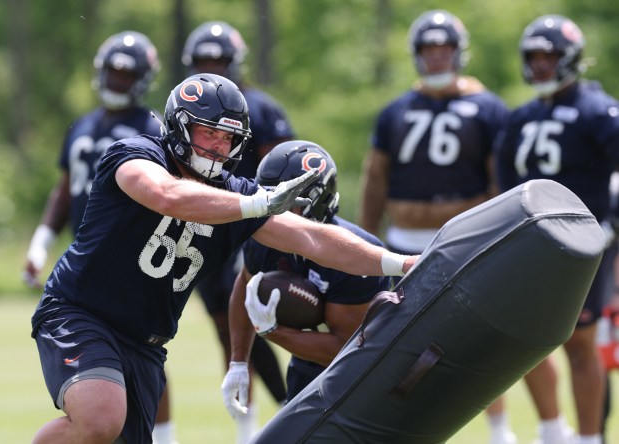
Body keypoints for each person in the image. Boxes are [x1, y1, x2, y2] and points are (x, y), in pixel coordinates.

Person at [30, 73, 417, 444]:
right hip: (81, 313)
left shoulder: (237, 195)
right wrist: (256, 204)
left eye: (228, 137)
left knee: (109, 434)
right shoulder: (136, 155)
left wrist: (399, 263)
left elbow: (313, 238)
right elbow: (168, 196)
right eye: (208, 132)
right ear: (180, 127)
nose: (218, 146)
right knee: (100, 420)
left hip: (145, 341)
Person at [357, 10, 513, 444]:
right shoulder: (395, 112)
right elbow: (375, 179)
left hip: (466, 240)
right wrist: (364, 239)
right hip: (403, 241)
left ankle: (500, 430)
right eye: (430, 50)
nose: (438, 58)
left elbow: (499, 182)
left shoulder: (487, 108)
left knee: (479, 336)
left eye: (445, 50)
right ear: (416, 56)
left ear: (459, 53)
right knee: (395, 338)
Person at [22, 31, 179, 444]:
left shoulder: (152, 128)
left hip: (132, 262)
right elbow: (63, 190)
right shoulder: (85, 125)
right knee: (95, 390)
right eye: (112, 71)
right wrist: (40, 241)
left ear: (143, 78)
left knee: (144, 353)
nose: (118, 79)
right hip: (85, 265)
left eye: (127, 74)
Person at [495, 14, 619, 444]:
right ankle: (551, 431)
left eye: (549, 57)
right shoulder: (520, 117)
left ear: (569, 59)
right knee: (524, 341)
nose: (541, 65)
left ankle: (588, 439)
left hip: (583, 246)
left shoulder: (597, 110)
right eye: (534, 57)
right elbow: (503, 187)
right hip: (531, 247)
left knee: (582, 346)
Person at [220, 140, 392, 419]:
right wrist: (238, 361)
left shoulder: (354, 255)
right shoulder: (264, 238)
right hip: (305, 365)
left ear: (317, 201)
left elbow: (344, 349)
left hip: (366, 375)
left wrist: (273, 332)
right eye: (270, 196)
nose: (273, 210)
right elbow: (246, 287)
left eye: (287, 200)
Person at [181, 20, 293, 441]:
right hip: (203, 229)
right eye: (204, 61)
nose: (211, 67)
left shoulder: (259, 107)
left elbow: (281, 170)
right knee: (225, 327)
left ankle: (287, 404)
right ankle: (247, 424)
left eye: (219, 60)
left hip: (250, 227)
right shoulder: (185, 109)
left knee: (257, 318)